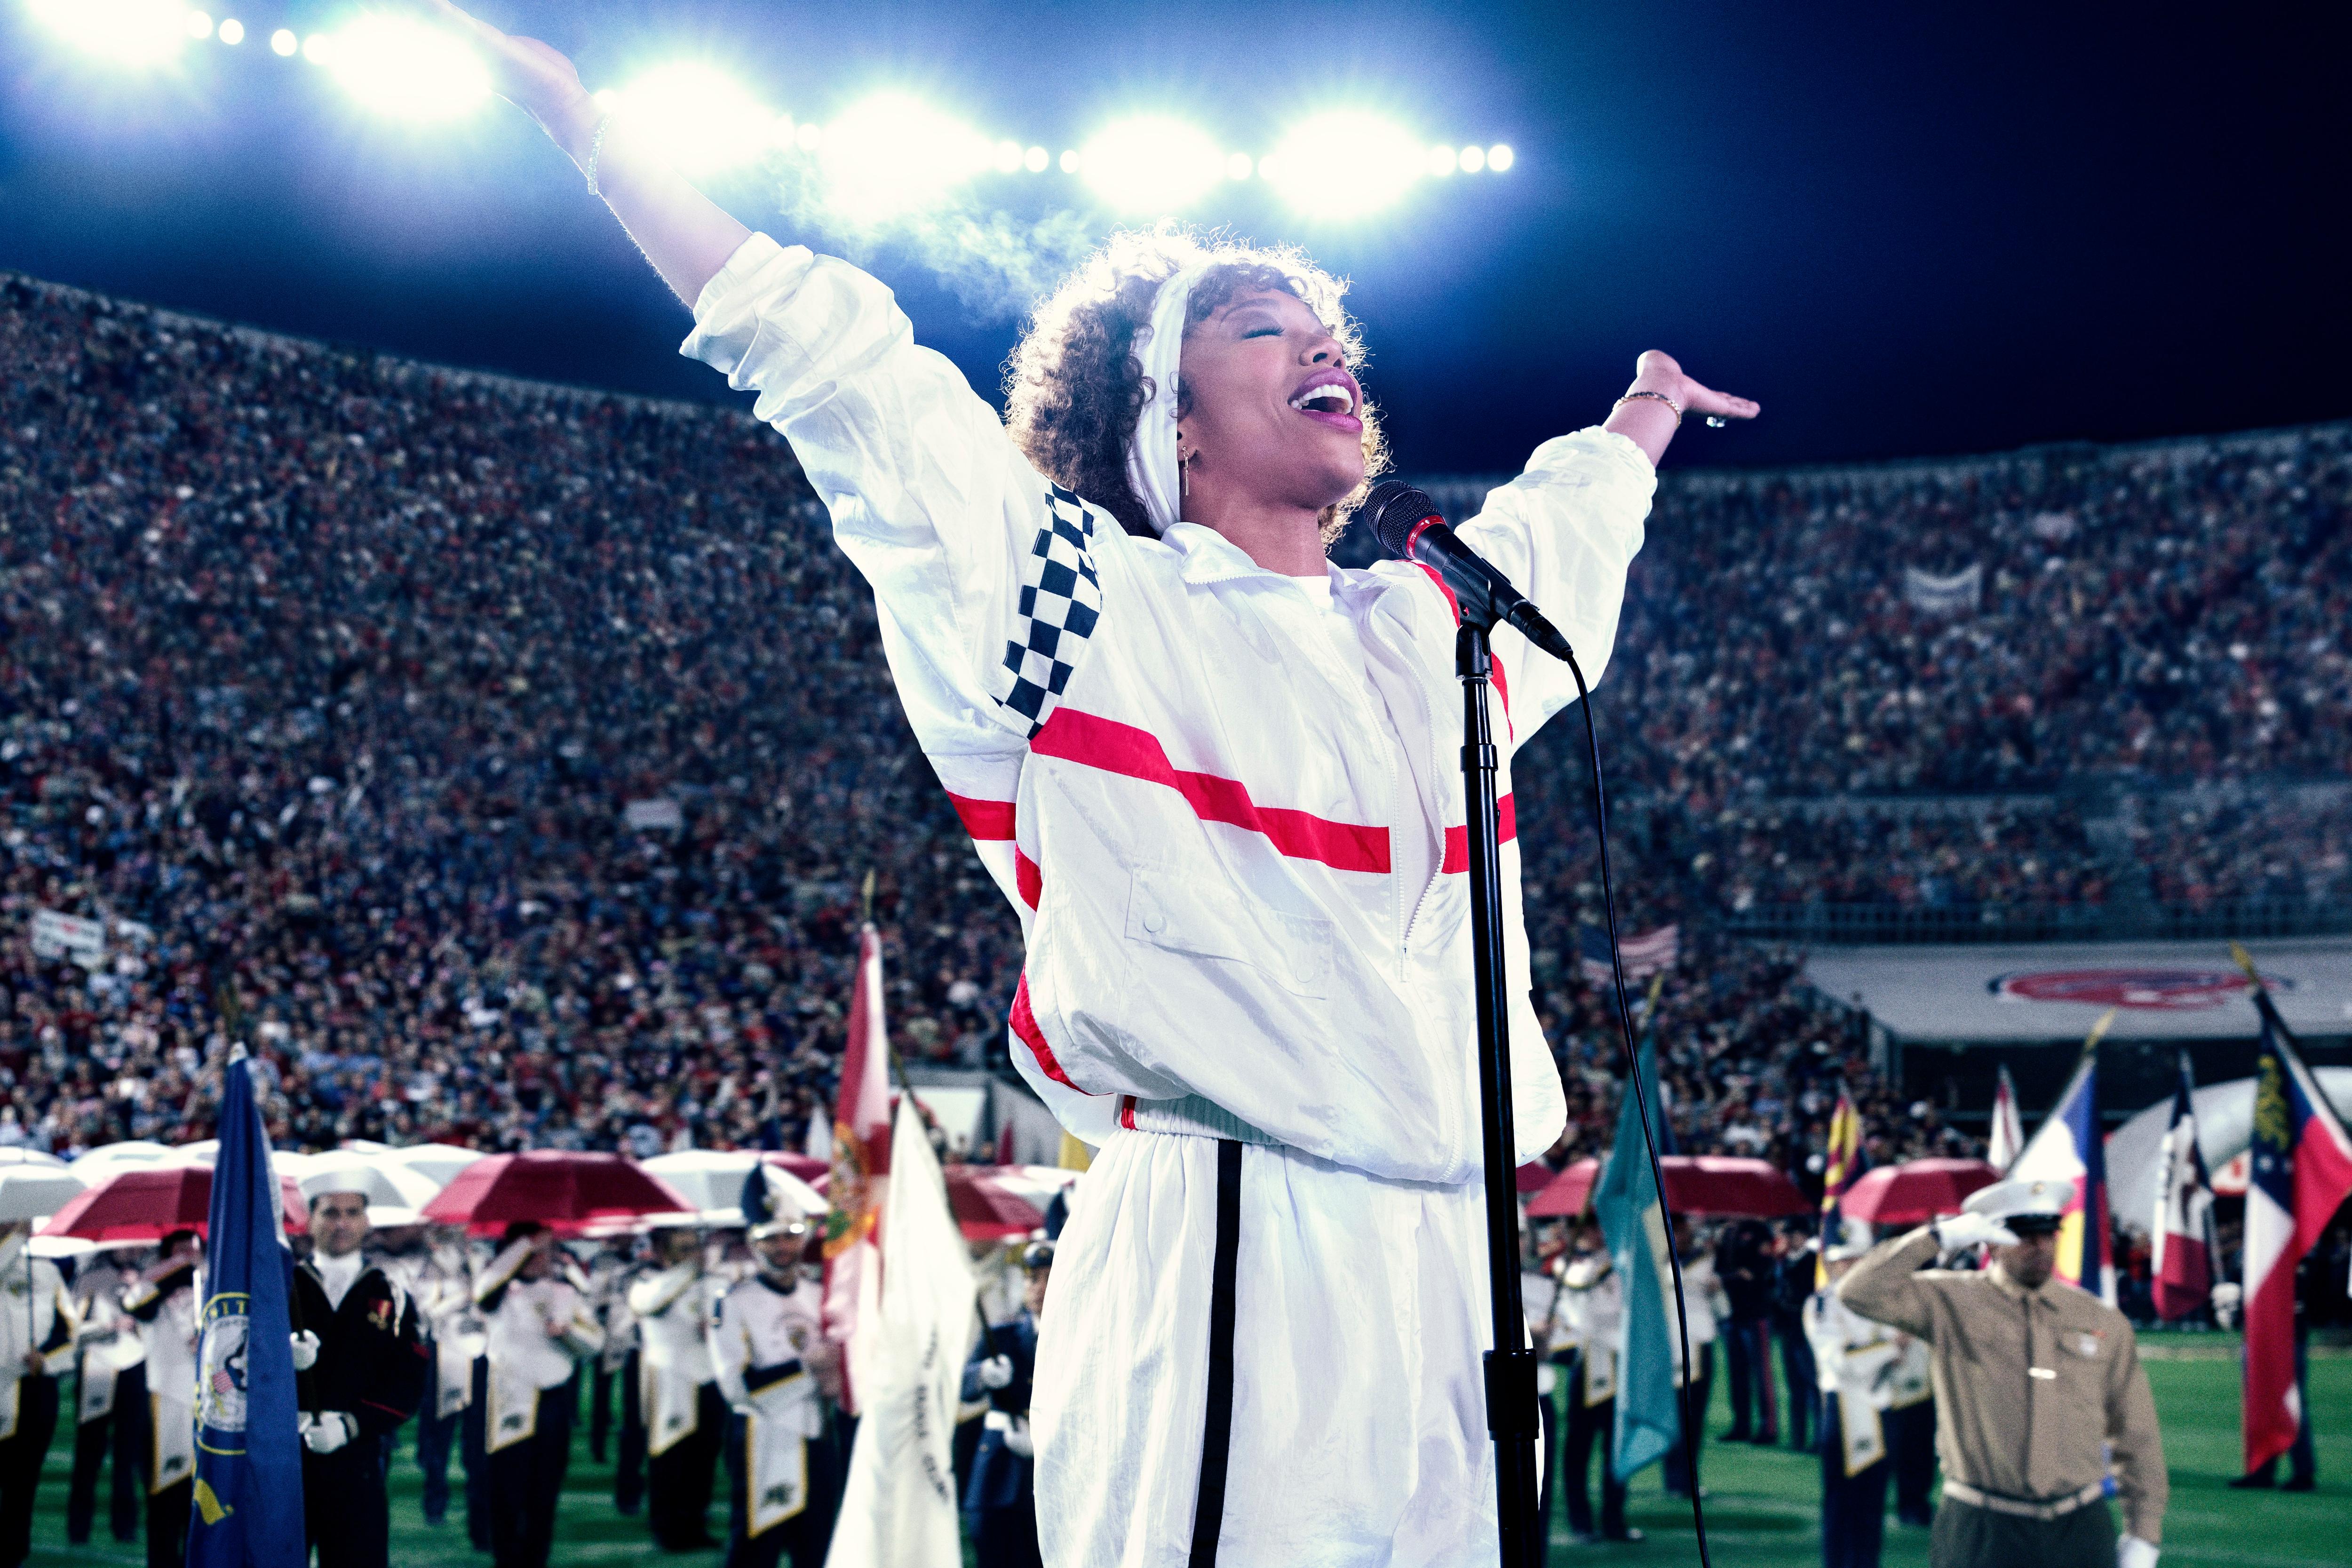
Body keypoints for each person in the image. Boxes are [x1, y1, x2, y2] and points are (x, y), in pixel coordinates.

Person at [421, 5, 1755, 1559]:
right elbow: (859, 389)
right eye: (1261, 327)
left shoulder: (1439, 627)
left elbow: (1569, 535)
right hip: (1233, 1231)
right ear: (1167, 425)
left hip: (1456, 1257)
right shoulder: (1084, 607)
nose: (1326, 344)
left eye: (1330, 330)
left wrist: (1642, 419)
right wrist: (601, 137)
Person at [1838, 1178, 2167, 1568]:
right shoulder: (1949, 1301)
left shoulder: (2100, 1319)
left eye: (2048, 1234)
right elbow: (1858, 1291)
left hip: (2081, 1524)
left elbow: (2136, 1432)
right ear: (1990, 1242)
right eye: (2023, 1235)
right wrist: (1936, 1237)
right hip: (1983, 1524)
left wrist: (2144, 1533)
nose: (2039, 1246)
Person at [291, 1173, 431, 1568]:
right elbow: (242, 1374)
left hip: (360, 1459)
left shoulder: (393, 1291)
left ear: (367, 1221)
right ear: (310, 1219)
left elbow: (409, 1383)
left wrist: (351, 1425)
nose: (342, 1222)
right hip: (285, 1460)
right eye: (330, 1212)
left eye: (353, 1212)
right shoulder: (282, 1287)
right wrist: (279, 1363)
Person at [708, 1198, 840, 1568]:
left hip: (816, 1433)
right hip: (762, 1437)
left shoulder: (819, 1295)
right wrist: (807, 1369)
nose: (783, 1247)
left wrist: (835, 1379)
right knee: (756, 1546)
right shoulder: (734, 1302)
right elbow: (737, 1387)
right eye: (771, 1239)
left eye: (792, 1236)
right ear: (754, 1244)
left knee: (818, 1545)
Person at [474, 1222, 604, 1568]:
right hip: (509, 1398)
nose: (540, 1259)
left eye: (545, 1251)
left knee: (545, 1489)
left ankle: (536, 1558)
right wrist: (522, 1247)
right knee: (506, 1489)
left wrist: (568, 1333)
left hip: (552, 1399)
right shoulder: (501, 1292)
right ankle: (507, 1557)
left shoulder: (565, 1292)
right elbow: (483, 1291)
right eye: (532, 1253)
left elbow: (594, 1343)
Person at [629, 1227, 728, 1550]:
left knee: (704, 1457)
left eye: (694, 1246)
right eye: (682, 1247)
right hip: (669, 1377)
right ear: (660, 1251)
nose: (692, 1253)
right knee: (669, 1456)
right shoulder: (645, 1282)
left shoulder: (715, 1283)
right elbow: (651, 1304)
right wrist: (689, 1270)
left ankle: (696, 1523)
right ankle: (667, 1528)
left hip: (709, 1378)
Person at [1806, 1223, 1896, 1568]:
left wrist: (1882, 1350)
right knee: (1840, 1502)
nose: (1849, 1267)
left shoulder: (1883, 1301)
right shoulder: (1821, 1305)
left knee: (1873, 1502)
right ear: (1830, 1264)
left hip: (1880, 1405)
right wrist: (1887, 1348)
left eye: (1856, 1259)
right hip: (1843, 1410)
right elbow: (1841, 1362)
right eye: (1842, 1261)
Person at [963, 1240, 1053, 1568]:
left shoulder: (1076, 1337)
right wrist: (984, 1373)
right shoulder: (1001, 1335)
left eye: (1049, 1278)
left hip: (1049, 1466)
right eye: (1033, 1278)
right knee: (991, 1543)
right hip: (999, 1465)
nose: (1040, 1288)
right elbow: (964, 1388)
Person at [1553, 1221, 1637, 1545]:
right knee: (1578, 1448)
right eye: (1587, 1227)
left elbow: (1618, 1307)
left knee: (1616, 1447)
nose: (1596, 1233)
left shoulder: (1618, 1261)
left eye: (1599, 1227)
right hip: (1586, 1360)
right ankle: (1580, 1521)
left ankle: (1615, 1520)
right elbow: (1585, 1294)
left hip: (1616, 1358)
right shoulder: (1565, 1263)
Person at [122, 1230, 201, 1568]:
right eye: (179, 1247)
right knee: (165, 1497)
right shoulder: (150, 1279)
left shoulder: (212, 1280)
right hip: (164, 1399)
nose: (187, 1253)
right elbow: (137, 1305)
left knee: (206, 1500)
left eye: (192, 1246)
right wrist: (177, 1268)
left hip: (210, 1401)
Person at [0, 1222, 73, 1568]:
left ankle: (14, 1549)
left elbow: (69, 1329)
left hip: (37, 1386)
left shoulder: (48, 1270)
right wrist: (13, 1239)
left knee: (25, 1476)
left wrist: (45, 1358)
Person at [405, 1224, 484, 1532]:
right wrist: (460, 1297)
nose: (461, 1238)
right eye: (453, 1233)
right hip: (445, 1355)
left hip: (479, 1355)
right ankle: (435, 1502)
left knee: (477, 1440)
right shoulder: (431, 1268)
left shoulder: (478, 1263)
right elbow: (425, 1312)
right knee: (441, 1437)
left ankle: (478, 1510)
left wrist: (478, 1278)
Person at [66, 1247, 145, 1548]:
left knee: (128, 1455)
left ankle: (125, 1526)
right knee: (89, 1453)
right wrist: (109, 1328)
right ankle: (78, 1527)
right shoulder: (90, 1278)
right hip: (96, 1369)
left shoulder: (149, 1276)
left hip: (135, 1367)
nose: (128, 1249)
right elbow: (73, 1328)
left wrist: (139, 1289)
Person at [1662, 1215, 1726, 1500]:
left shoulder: (1708, 1260)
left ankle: (1687, 1478)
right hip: (1667, 1342)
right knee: (1672, 1413)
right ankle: (1673, 1476)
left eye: (1684, 1229)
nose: (1681, 1234)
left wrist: (1717, 1291)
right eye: (1675, 1229)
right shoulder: (1656, 1261)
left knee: (1694, 1414)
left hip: (1699, 1342)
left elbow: (1725, 1311)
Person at [1717, 1217, 1779, 1443]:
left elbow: (1761, 1271)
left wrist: (1732, 1277)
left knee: (1762, 1374)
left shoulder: (1760, 1230)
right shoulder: (1726, 1232)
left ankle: (1768, 1428)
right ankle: (1741, 1424)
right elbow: (1721, 1268)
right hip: (1732, 1313)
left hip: (1756, 1313)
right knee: (1737, 1374)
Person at [1773, 1220, 1822, 1452]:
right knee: (1795, 1387)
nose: (1791, 1239)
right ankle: (1798, 1436)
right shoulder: (1784, 1262)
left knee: (1812, 1383)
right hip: (1790, 1331)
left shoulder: (1812, 1261)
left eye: (1794, 1235)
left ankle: (1819, 1437)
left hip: (1807, 1331)